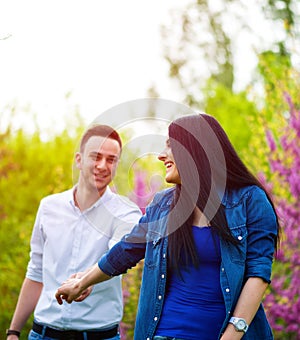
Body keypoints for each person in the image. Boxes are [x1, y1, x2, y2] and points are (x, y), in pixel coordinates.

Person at [55, 114, 280, 340]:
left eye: (171, 146)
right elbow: (127, 250)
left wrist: (232, 334)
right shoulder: (163, 205)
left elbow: (258, 274)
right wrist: (82, 282)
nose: (162, 156)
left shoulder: (250, 200)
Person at [6, 124, 142, 340]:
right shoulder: (49, 207)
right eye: (95, 156)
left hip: (99, 336)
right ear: (79, 160)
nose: (102, 165)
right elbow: (36, 272)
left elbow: (117, 258)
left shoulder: (126, 214)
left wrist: (84, 282)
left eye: (111, 159)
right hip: (43, 334)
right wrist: (14, 331)